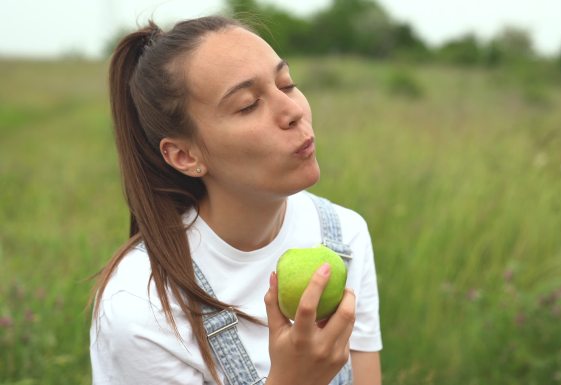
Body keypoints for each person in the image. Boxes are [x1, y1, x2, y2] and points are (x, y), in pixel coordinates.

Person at [89, 15, 382, 385]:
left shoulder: (343, 237)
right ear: (185, 156)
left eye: (286, 84)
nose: (293, 112)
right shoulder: (139, 306)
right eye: (248, 105)